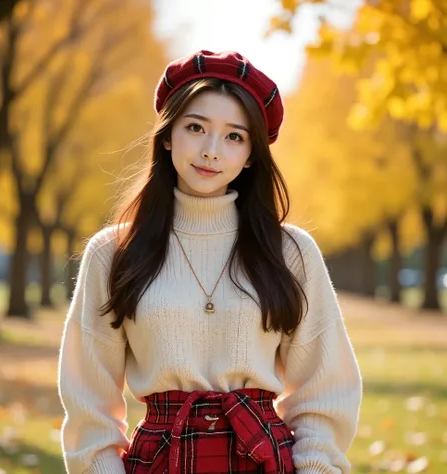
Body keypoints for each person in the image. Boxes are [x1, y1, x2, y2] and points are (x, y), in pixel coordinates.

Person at [57, 50, 362, 474]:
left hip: (264, 459)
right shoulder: (113, 252)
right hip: (159, 461)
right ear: (167, 136)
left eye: (234, 136)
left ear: (252, 153)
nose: (211, 151)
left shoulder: (291, 251)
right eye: (196, 128)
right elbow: (88, 399)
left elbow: (324, 388)